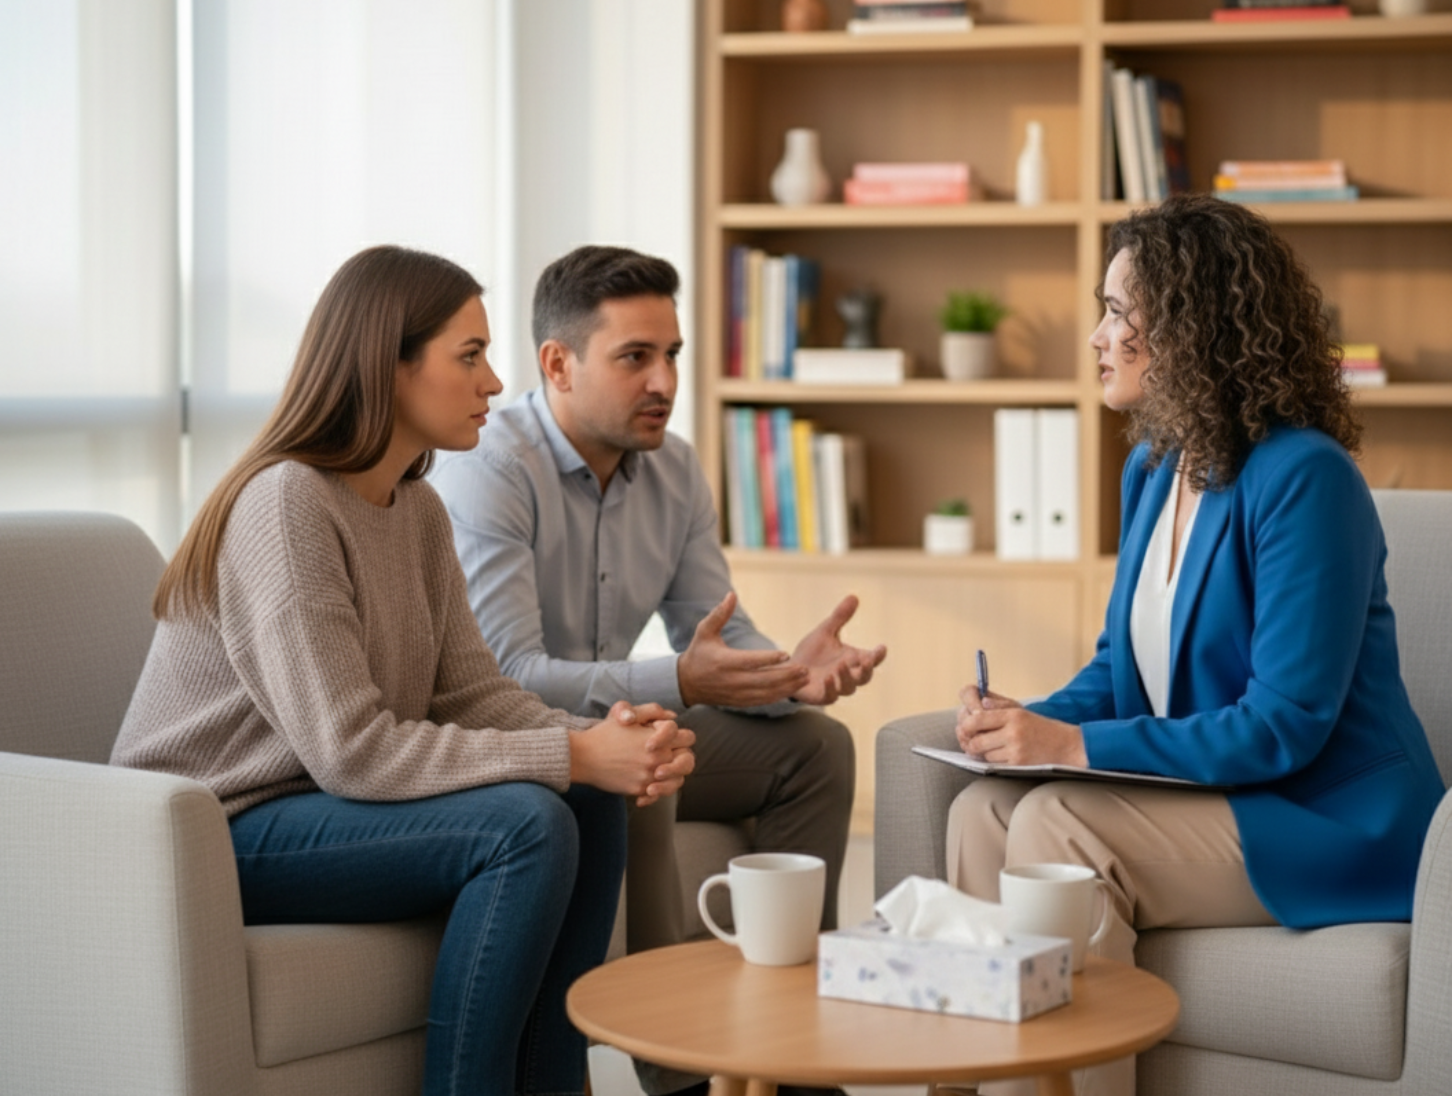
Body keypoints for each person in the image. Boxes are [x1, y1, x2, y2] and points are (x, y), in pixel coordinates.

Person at [110, 245, 695, 1096]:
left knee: (592, 798)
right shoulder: (287, 504)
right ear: (388, 368)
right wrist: (570, 755)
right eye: (470, 357)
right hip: (216, 827)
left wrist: (603, 741)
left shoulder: (416, 508)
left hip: (313, 799)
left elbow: (471, 693)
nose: (496, 382)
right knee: (527, 822)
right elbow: (353, 750)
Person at [945, 195, 1445, 1096]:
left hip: (1324, 814)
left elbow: (1283, 724)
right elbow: (1118, 670)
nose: (1097, 335)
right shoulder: (1154, 466)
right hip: (1224, 795)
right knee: (979, 808)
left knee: (1059, 821)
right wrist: (1023, 725)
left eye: (1115, 311)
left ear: (1186, 326)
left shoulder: (1306, 477)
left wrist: (1068, 753)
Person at [430, 244, 886, 1096]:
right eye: (634, 357)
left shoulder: (673, 469)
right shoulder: (490, 468)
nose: (665, 383)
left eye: (672, 355)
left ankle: (792, 1054)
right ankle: (676, 1072)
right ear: (557, 365)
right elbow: (508, 681)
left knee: (815, 748)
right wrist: (677, 684)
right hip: (519, 745)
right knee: (646, 746)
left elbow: (713, 630)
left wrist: (787, 673)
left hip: (624, 723)